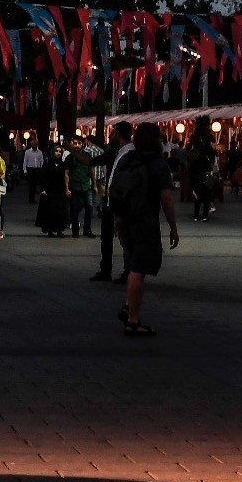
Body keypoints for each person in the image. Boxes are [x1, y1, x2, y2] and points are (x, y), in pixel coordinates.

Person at [109, 124, 178, 335]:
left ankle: (130, 306)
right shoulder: (159, 165)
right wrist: (173, 227)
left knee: (134, 265)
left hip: (126, 219)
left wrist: (117, 220)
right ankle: (133, 319)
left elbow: (118, 190)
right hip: (145, 221)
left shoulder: (128, 159)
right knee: (139, 270)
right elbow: (166, 198)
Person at [91, 122, 133, 282]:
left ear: (118, 134)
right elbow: (91, 161)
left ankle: (128, 272)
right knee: (108, 237)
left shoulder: (127, 154)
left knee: (125, 238)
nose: (109, 136)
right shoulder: (113, 152)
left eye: (112, 133)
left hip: (122, 202)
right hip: (111, 201)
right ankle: (107, 269)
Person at [35, 143, 69, 236]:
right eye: (56, 151)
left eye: (60, 152)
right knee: (50, 210)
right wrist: (43, 189)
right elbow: (43, 177)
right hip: (50, 190)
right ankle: (50, 230)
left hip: (60, 190)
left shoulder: (63, 164)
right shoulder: (48, 163)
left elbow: (66, 176)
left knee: (60, 211)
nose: (58, 153)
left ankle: (59, 230)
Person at [66, 136, 94, 237]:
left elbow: (91, 171)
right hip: (74, 186)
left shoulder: (87, 155)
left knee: (89, 208)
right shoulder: (69, 158)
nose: (77, 145)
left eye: (79, 143)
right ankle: (75, 231)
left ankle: (87, 230)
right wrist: (67, 188)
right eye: (75, 143)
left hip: (86, 185)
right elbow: (66, 173)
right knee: (74, 209)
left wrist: (94, 185)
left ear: (83, 144)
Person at [187, 128, 217, 222]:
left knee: (197, 198)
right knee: (206, 198)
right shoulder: (205, 158)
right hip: (205, 178)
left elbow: (191, 171)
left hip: (196, 179)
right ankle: (204, 216)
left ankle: (196, 216)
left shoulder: (193, 159)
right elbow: (210, 168)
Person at [21, 136, 45, 202]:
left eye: (36, 144)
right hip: (30, 169)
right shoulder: (27, 152)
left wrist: (42, 169)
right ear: (31, 145)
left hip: (38, 169)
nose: (34, 145)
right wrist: (25, 170)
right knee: (31, 185)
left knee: (37, 185)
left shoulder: (40, 152)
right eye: (33, 144)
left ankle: (34, 198)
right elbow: (25, 161)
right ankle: (31, 199)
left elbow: (42, 161)